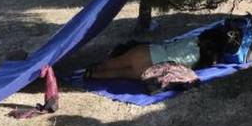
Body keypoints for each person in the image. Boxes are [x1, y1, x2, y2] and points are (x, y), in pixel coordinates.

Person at [84, 25, 234, 81]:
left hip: (146, 51)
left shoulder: (193, 39)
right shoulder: (201, 60)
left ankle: (91, 69)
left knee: (114, 63)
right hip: (150, 68)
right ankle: (92, 76)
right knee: (119, 73)